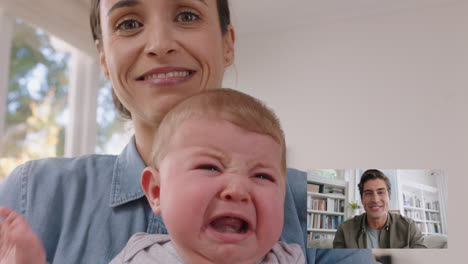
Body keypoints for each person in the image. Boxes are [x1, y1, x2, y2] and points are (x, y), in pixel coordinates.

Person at [0, 0, 377, 263]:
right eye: (128, 23)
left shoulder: (327, 201)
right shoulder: (33, 192)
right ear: (103, 57)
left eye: (186, 14)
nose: (160, 45)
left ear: (227, 44)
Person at [333, 169, 427, 248]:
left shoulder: (409, 227)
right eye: (368, 193)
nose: (375, 199)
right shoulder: (344, 230)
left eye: (381, 192)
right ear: (362, 199)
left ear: (389, 197)